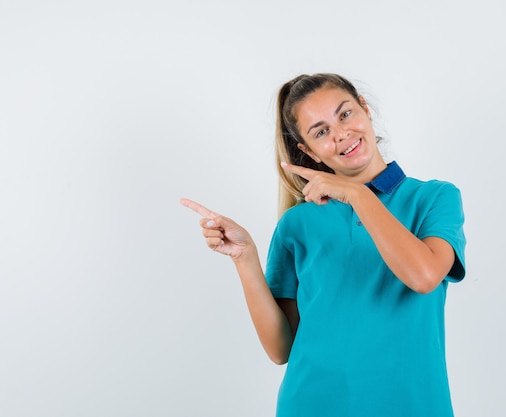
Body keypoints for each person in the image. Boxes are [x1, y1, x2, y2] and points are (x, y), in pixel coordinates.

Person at [181, 73, 466, 417]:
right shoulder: (297, 224)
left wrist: (358, 193)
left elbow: (424, 276)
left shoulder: (434, 198)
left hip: (412, 405)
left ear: (364, 108)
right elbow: (281, 349)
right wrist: (245, 259)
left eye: (344, 114)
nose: (341, 134)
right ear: (307, 150)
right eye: (320, 132)